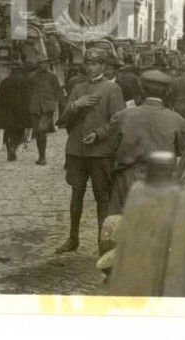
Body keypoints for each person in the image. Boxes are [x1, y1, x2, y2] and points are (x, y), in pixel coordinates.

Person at [86, 69, 185, 217]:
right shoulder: (178, 120)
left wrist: (97, 135)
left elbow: (110, 142)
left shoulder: (124, 116)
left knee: (121, 226)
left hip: (128, 179)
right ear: (167, 92)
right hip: (162, 180)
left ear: (141, 90)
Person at [55, 47, 125, 253]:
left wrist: (99, 134)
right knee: (76, 194)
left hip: (100, 152)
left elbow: (118, 121)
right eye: (88, 64)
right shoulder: (77, 88)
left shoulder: (112, 89)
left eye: (96, 64)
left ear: (104, 66)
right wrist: (75, 105)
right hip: (77, 150)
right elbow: (62, 121)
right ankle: (72, 238)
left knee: (101, 197)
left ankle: (102, 243)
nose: (91, 68)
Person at [0, 63, 31, 161]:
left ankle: (9, 150)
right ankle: (14, 147)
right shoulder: (26, 81)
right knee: (20, 130)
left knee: (9, 131)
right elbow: (29, 97)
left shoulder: (5, 81)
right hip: (21, 111)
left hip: (8, 111)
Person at [27, 56, 64, 166]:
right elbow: (28, 92)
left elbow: (57, 91)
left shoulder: (52, 76)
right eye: (42, 63)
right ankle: (41, 156)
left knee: (42, 129)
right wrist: (30, 103)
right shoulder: (32, 76)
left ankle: (43, 157)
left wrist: (56, 103)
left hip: (47, 108)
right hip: (35, 107)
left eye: (46, 63)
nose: (44, 65)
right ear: (38, 64)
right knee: (38, 132)